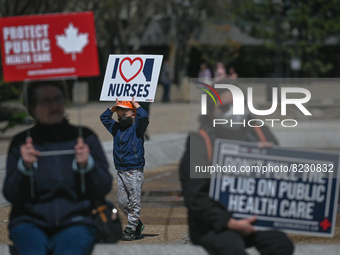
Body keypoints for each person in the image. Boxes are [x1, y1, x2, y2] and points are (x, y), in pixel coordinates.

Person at [179, 89, 294, 255]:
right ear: (211, 112)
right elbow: (195, 195)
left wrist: (273, 157)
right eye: (225, 107)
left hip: (254, 219)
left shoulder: (260, 132)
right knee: (232, 249)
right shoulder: (200, 142)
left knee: (281, 245)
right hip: (212, 223)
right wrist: (228, 222)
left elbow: (283, 181)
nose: (234, 112)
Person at [3, 80, 112, 255]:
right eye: (46, 101)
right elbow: (10, 193)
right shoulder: (21, 143)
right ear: (32, 107)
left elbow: (104, 186)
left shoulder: (85, 137)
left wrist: (87, 165)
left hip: (76, 221)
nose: (54, 105)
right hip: (29, 223)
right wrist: (24, 168)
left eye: (58, 99)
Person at [100, 98, 149, 241]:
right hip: (121, 170)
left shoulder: (137, 128)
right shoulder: (116, 129)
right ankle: (137, 224)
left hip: (134, 170)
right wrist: (113, 107)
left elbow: (144, 116)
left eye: (125, 113)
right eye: (119, 115)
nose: (122, 117)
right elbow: (104, 118)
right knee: (122, 202)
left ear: (133, 115)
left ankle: (131, 227)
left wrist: (136, 105)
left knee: (134, 201)